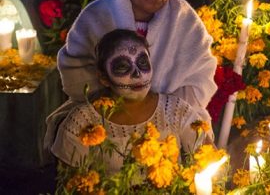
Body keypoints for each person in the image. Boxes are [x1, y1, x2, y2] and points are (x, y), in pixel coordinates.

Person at [45, 0, 217, 152]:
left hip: (171, 125)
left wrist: (160, 112)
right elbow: (76, 74)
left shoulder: (186, 21)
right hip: (107, 123)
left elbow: (201, 79)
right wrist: (125, 111)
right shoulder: (97, 16)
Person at [51, 29, 213, 173]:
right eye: (122, 66)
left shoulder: (176, 110)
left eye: (142, 63)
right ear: (103, 77)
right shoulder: (83, 122)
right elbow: (70, 185)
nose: (137, 74)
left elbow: (209, 162)